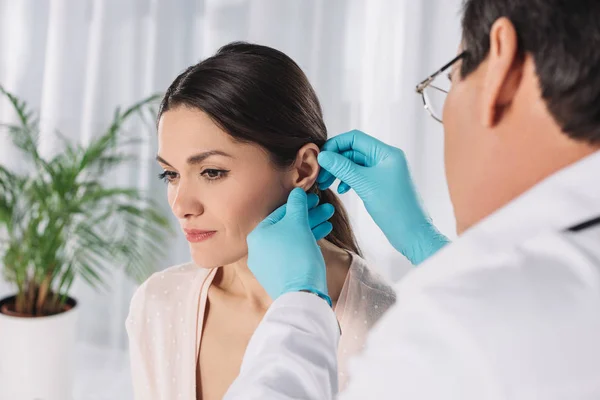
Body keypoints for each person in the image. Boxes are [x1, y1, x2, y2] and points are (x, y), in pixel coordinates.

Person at [224, 1, 600, 399]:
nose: (182, 203)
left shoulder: (452, 337)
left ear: (501, 68)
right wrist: (426, 243)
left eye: (449, 80)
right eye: (170, 173)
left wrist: (299, 301)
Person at [125, 42, 398, 400]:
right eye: (171, 175)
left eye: (211, 172)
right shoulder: (158, 304)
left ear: (303, 169)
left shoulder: (385, 327)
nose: (180, 205)